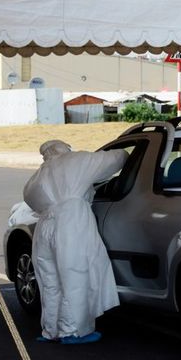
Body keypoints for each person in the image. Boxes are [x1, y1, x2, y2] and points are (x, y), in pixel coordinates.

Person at [23, 140, 129, 344]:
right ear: (63, 148)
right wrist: (127, 153)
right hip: (71, 221)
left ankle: (50, 331)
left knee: (49, 281)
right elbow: (115, 159)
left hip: (45, 225)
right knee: (74, 275)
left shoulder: (37, 177)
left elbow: (30, 200)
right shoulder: (75, 161)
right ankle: (71, 331)